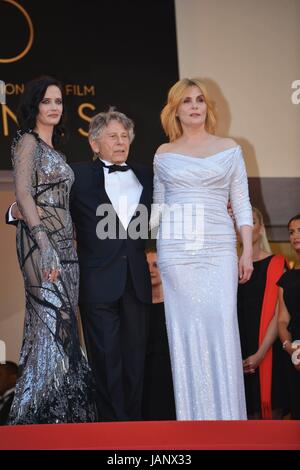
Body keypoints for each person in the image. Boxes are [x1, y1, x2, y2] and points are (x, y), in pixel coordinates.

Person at [151, 77, 253, 420]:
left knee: (221, 322)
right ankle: (192, 419)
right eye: (187, 101)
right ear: (175, 110)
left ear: (207, 107)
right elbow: (158, 211)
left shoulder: (230, 148)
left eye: (199, 100)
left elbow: (241, 203)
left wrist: (247, 250)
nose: (194, 106)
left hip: (219, 248)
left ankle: (228, 418)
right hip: (177, 252)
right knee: (184, 329)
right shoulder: (163, 153)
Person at [7, 76, 97, 424]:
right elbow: (24, 195)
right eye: (47, 101)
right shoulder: (27, 142)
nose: (55, 107)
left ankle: (65, 415)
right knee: (50, 321)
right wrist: (43, 242)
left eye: (59, 101)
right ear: (35, 106)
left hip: (65, 245)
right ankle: (35, 418)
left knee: (66, 329)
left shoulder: (56, 150)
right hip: (38, 242)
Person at [69, 109, 153, 421]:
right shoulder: (75, 175)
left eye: (125, 136)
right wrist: (16, 211)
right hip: (96, 283)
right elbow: (47, 206)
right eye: (112, 136)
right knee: (105, 361)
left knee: (135, 362)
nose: (121, 142)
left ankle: (134, 429)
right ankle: (111, 430)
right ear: (94, 144)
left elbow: (164, 215)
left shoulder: (147, 175)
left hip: (137, 282)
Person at [237, 207, 287, 419]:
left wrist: (260, 353)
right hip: (237, 352)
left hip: (269, 351)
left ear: (261, 228)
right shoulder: (227, 266)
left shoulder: (277, 264)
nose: (244, 228)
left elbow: (279, 315)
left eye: (251, 222)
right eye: (239, 224)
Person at [142, 244, 176, 420]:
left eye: (156, 265)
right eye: (146, 265)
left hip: (172, 378)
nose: (151, 270)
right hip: (146, 380)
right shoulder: (139, 309)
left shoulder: (176, 309)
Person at [277, 214, 300, 419]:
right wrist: (290, 348)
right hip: (295, 351)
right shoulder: (286, 278)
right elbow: (283, 320)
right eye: (291, 232)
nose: (295, 236)